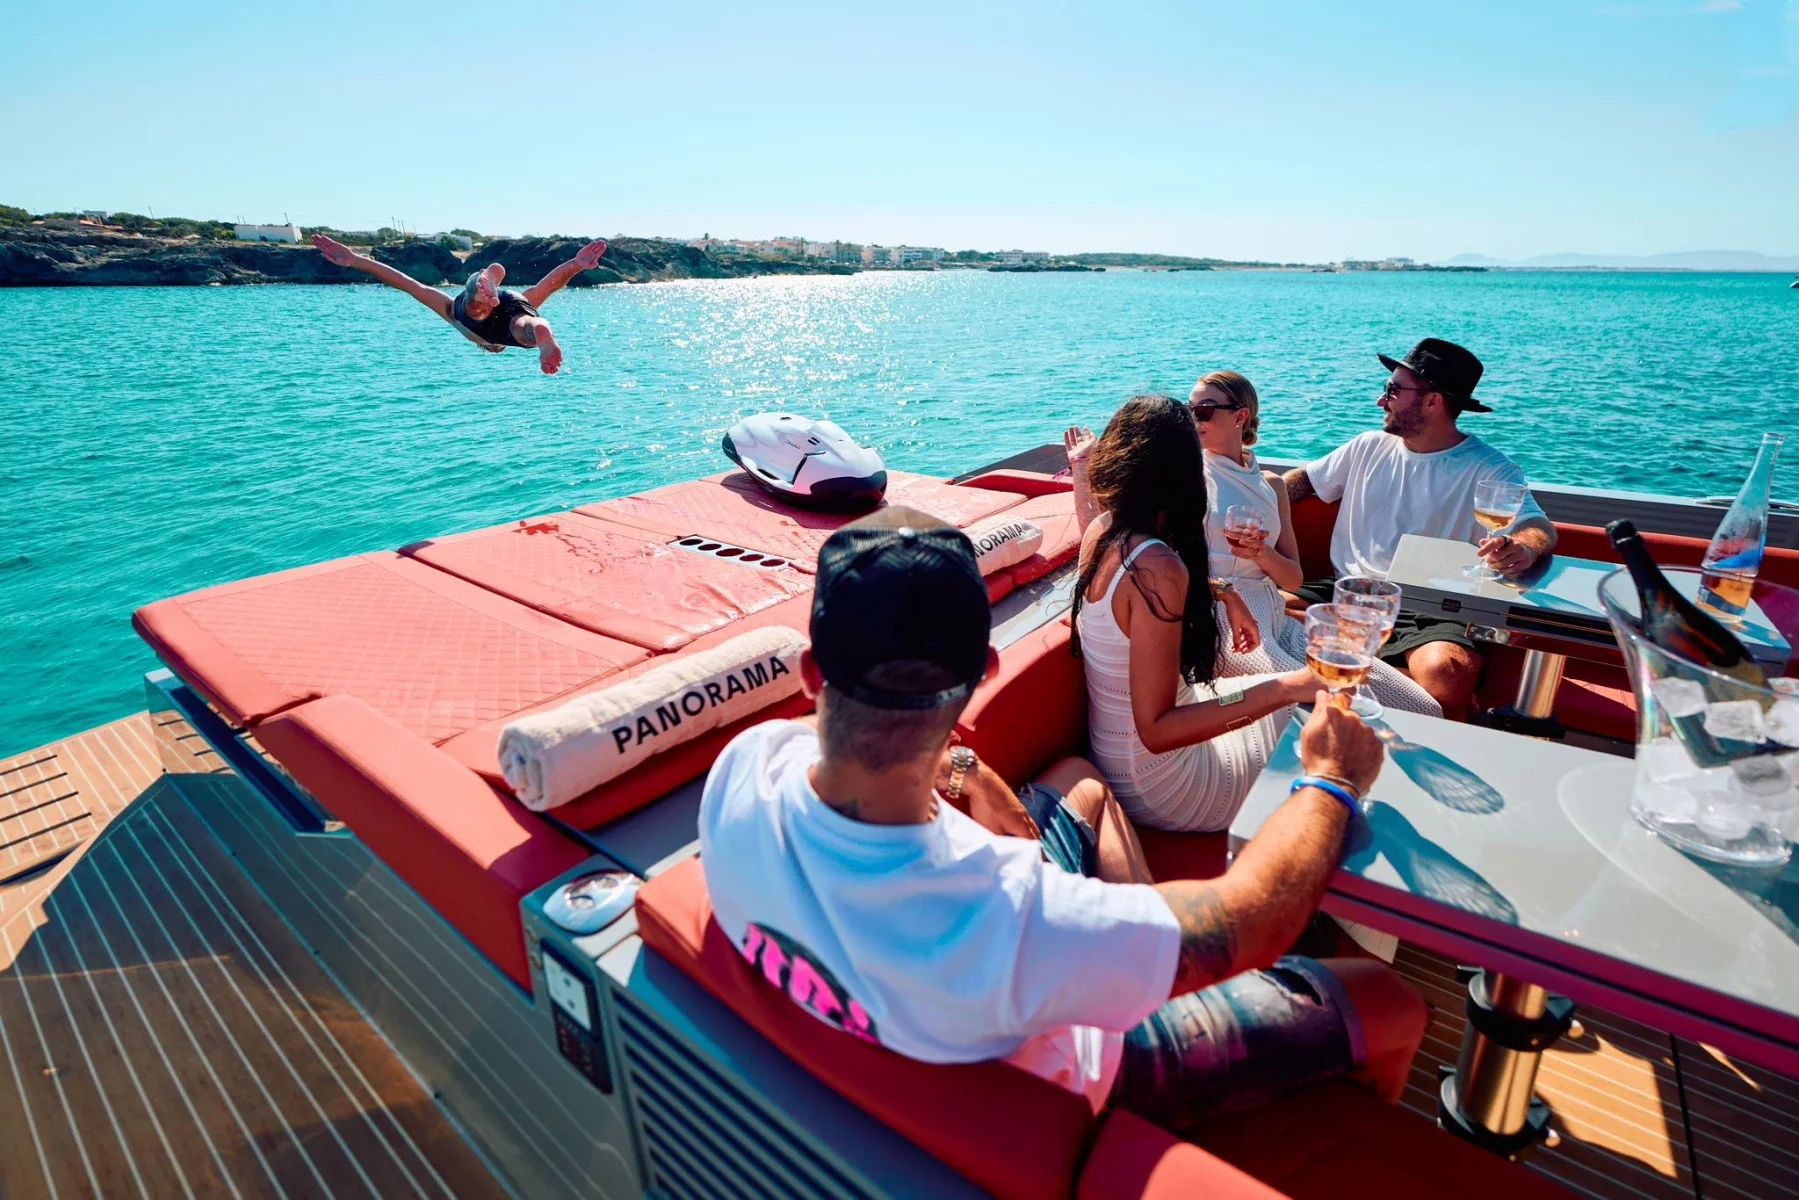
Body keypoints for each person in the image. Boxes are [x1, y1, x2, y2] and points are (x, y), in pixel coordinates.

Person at [699, 504, 1426, 1135]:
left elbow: (848, 748)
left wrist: (968, 771)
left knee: (1079, 782)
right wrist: (1331, 780)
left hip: (930, 1006)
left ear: (811, 672)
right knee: (1387, 1000)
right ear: (985, 672)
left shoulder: (744, 769)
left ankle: (1141, 944)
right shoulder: (1010, 916)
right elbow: (1254, 921)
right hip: (1095, 1068)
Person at [1066, 395, 1324, 833]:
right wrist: (1285, 687)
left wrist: (1224, 591)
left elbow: (1131, 597)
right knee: (1330, 727)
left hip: (1118, 757)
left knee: (1309, 703)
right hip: (1164, 783)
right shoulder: (1158, 569)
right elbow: (1158, 731)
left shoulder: (1103, 530)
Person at [1282, 339, 1557, 718]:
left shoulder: (1490, 468)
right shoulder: (1367, 446)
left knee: (1445, 674)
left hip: (1433, 607)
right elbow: (1302, 482)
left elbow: (1537, 526)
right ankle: (1385, 677)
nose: (1382, 400)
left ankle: (1344, 667)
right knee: (1256, 609)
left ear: (1433, 401)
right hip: (1350, 591)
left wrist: (1523, 548)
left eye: (1393, 390)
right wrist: (1251, 493)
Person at [311, 233, 608, 374]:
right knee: (522, 324)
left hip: (496, 307)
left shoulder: (460, 321)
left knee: (502, 319)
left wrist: (576, 264)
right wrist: (576, 264)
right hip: (506, 306)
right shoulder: (454, 318)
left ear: (490, 348)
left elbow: (551, 284)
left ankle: (488, 282)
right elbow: (408, 284)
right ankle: (489, 283)